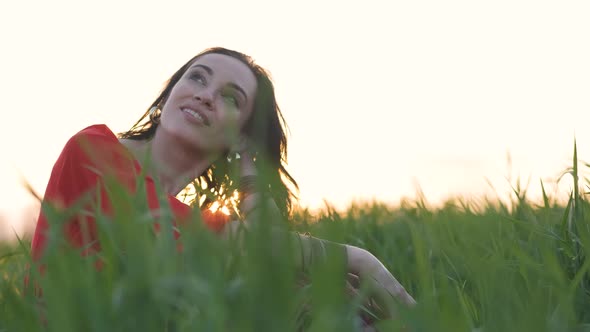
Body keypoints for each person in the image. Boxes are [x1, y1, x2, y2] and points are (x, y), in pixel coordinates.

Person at [29, 47, 416, 320]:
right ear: (167, 98)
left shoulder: (198, 224)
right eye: (197, 76)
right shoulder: (92, 151)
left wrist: (250, 176)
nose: (206, 95)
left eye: (231, 99)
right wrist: (359, 258)